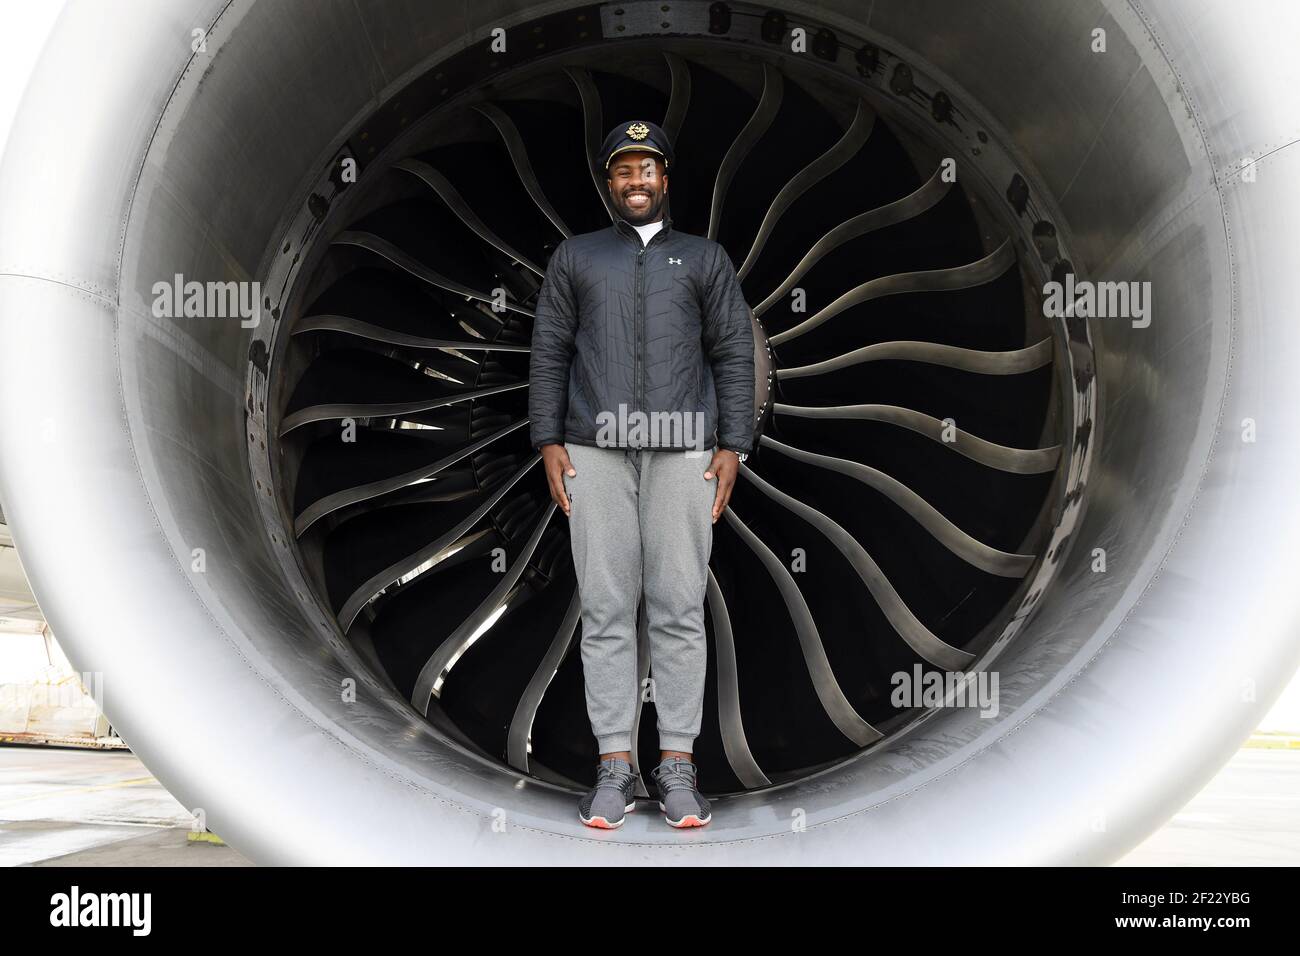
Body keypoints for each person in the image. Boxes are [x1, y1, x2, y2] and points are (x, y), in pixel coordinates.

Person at [528, 119, 755, 829]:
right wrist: (548, 441)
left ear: (665, 177)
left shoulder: (705, 259)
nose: (635, 182)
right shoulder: (576, 258)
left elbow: (734, 355)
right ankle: (614, 768)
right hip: (595, 448)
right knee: (605, 609)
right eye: (623, 171)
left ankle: (679, 767)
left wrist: (734, 446)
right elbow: (549, 351)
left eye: (646, 169)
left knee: (678, 608)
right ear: (609, 182)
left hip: (683, 450)